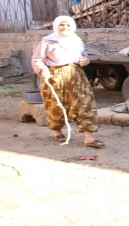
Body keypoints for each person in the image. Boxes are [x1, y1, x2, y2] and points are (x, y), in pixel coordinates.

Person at [31, 15, 105, 148]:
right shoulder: (47, 41)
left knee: (85, 103)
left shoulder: (76, 40)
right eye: (62, 25)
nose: (65, 28)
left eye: (68, 25)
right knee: (55, 104)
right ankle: (57, 130)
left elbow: (84, 55)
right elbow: (37, 59)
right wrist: (42, 70)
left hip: (76, 74)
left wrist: (85, 60)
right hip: (55, 75)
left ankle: (88, 137)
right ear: (56, 26)